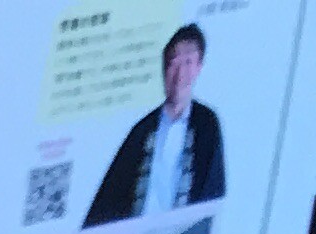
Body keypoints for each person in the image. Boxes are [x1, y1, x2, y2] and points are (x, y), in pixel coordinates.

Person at [88, 23, 227, 223]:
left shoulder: (206, 124)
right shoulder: (142, 131)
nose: (180, 74)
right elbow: (108, 200)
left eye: (188, 62)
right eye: (174, 63)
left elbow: (213, 195)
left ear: (199, 67)